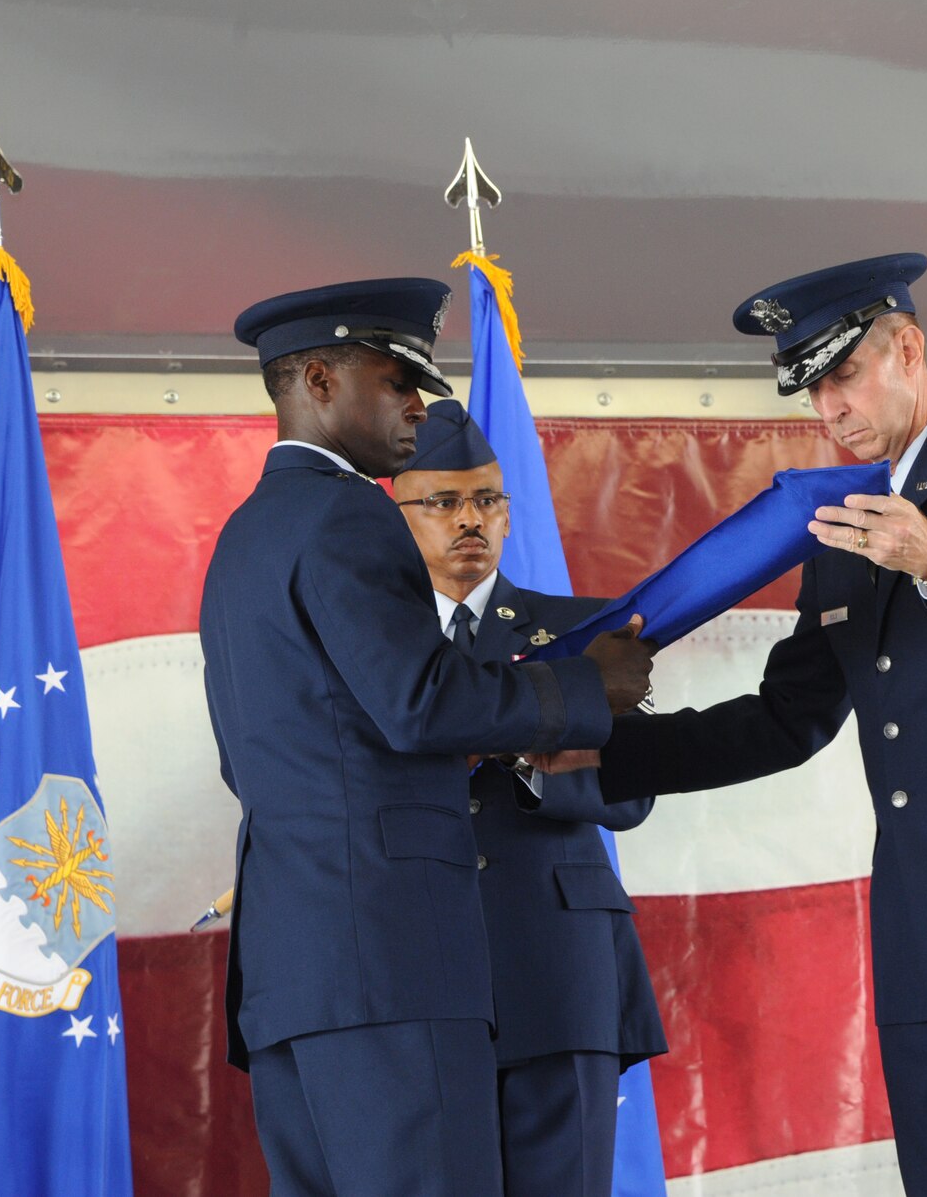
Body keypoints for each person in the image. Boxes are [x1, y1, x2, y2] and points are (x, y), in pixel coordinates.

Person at [542, 254, 927, 1195]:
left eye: (842, 375)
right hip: (918, 924)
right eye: (811, 389)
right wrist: (592, 738)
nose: (829, 407)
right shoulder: (841, 522)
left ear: (907, 349)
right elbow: (786, 720)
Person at [199, 278, 654, 1197]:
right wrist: (581, 688)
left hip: (298, 977)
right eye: (396, 379)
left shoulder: (246, 536)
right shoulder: (347, 512)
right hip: (394, 969)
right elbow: (418, 700)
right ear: (318, 379)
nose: (418, 403)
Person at [391, 400, 666, 1197]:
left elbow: (632, 790)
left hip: (558, 963)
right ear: (400, 516)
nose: (468, 519)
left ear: (510, 515)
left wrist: (524, 754)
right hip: (419, 964)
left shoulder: (583, 635)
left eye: (486, 500)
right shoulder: (375, 642)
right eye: (442, 502)